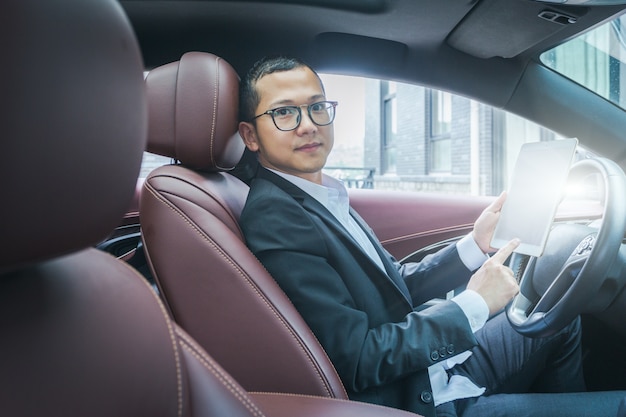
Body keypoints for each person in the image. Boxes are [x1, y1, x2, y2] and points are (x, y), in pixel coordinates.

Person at [237, 56, 625, 417]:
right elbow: (357, 360)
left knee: (556, 316)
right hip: (421, 399)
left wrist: (475, 245)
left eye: (317, 107)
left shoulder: (319, 195)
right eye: (284, 112)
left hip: (433, 367)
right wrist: (475, 302)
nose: (308, 123)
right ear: (250, 136)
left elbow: (395, 283)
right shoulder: (276, 216)